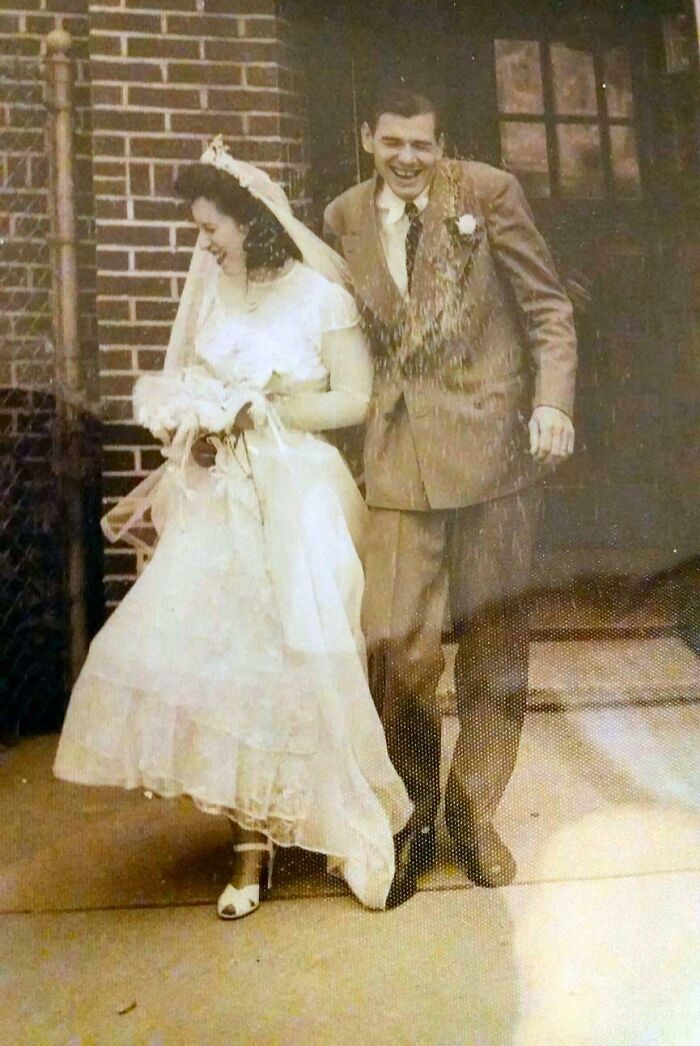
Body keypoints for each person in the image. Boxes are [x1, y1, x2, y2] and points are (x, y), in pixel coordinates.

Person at [54, 135, 412, 917]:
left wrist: (265, 408)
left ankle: (341, 824)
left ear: (251, 223)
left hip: (299, 492)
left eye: (211, 227)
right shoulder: (216, 292)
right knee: (235, 664)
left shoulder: (322, 297)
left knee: (306, 657)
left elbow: (355, 398)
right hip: (224, 497)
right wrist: (200, 419)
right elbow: (194, 380)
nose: (203, 242)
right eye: (199, 229)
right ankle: (250, 853)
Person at [324, 88, 577, 907]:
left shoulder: (489, 194)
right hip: (400, 452)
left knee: (496, 639)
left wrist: (554, 401)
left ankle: (474, 815)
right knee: (399, 645)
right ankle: (412, 819)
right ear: (367, 138)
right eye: (391, 141)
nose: (406, 157)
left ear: (442, 146)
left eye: (421, 145)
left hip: (494, 443)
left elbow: (547, 306)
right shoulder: (344, 217)